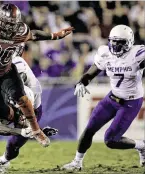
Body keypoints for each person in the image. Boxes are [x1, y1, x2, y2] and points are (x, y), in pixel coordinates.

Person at [0, 4, 73, 146]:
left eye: (12, 24)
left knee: (22, 99)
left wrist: (56, 35)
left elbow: (34, 35)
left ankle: (36, 130)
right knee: (4, 115)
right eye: (6, 24)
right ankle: (19, 123)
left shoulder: (20, 31)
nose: (9, 28)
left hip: (7, 71)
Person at [62, 25, 145, 170]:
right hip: (112, 98)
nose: (116, 45)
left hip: (130, 102)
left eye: (120, 42)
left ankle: (142, 145)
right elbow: (93, 71)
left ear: (130, 42)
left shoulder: (138, 53)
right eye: (114, 41)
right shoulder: (105, 52)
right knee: (89, 129)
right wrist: (82, 82)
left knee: (111, 140)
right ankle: (77, 162)